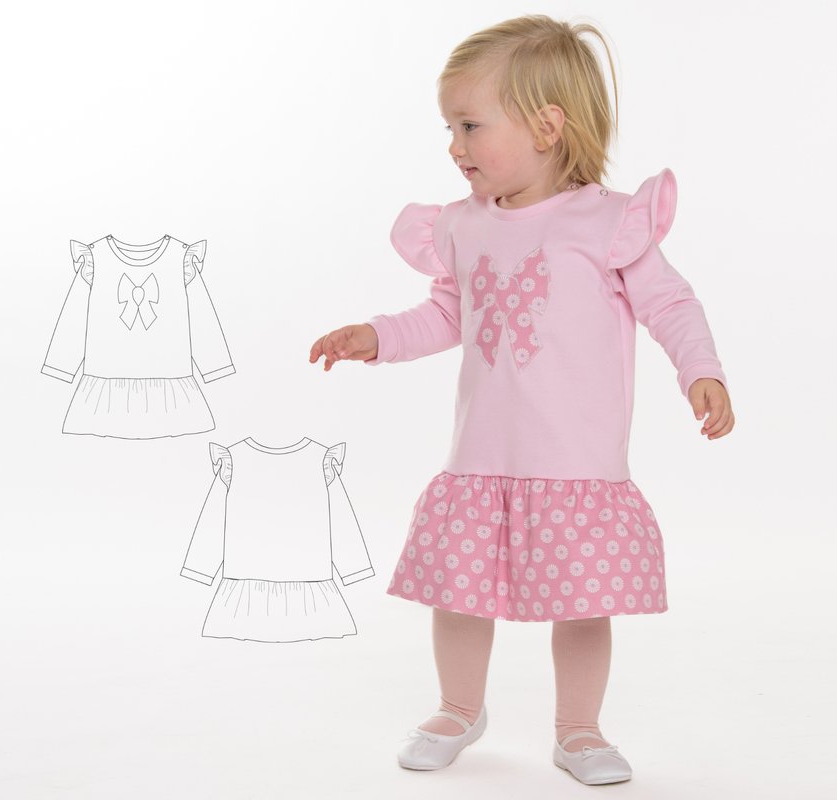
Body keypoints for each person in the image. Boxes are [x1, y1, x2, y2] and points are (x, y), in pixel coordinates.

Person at [308, 14, 734, 786]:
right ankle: (457, 707)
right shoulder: (462, 227)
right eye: (448, 128)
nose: (454, 146)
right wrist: (376, 336)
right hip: (480, 459)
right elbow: (448, 315)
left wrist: (698, 369)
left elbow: (670, 304)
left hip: (577, 466)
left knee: (583, 605)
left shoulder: (608, 224)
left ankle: (578, 729)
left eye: (470, 125)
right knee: (456, 595)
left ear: (545, 126)